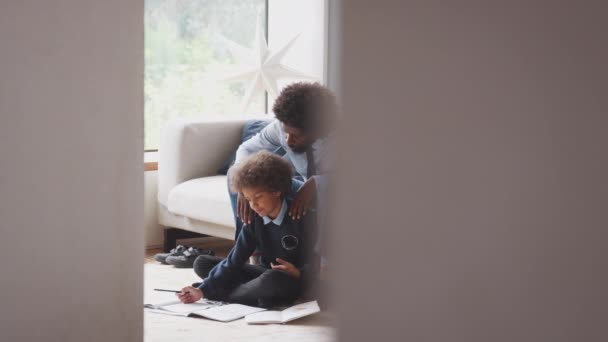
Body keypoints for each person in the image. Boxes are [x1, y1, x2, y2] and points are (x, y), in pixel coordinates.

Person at [177, 151, 319, 308]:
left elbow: (321, 263)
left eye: (258, 197)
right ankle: (258, 296)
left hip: (294, 280)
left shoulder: (303, 217)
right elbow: (234, 260)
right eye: (249, 199)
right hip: (263, 274)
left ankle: (226, 294)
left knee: (272, 279)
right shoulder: (255, 220)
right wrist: (202, 290)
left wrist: (298, 272)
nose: (253, 205)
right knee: (202, 262)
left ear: (277, 190)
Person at [229, 82, 337, 243]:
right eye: (286, 133)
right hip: (301, 185)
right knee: (237, 175)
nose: (288, 140)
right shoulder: (281, 126)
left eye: (295, 135)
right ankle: (252, 252)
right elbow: (247, 149)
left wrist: (317, 183)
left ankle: (323, 263)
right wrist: (245, 190)